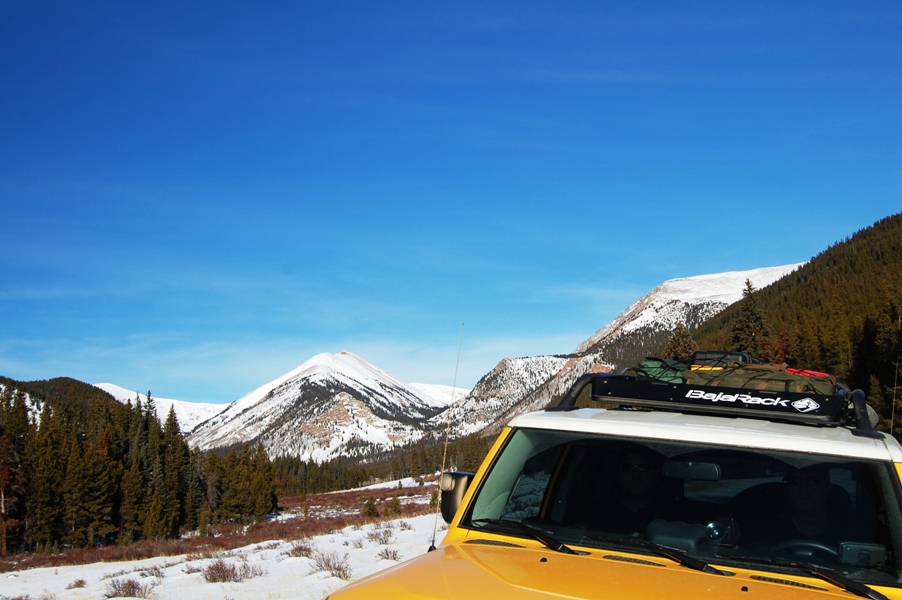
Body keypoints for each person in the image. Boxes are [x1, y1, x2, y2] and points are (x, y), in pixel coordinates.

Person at [592, 445, 670, 536]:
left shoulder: (670, 517)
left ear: (655, 474)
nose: (636, 475)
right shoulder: (599, 516)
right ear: (618, 474)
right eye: (628, 468)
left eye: (643, 467)